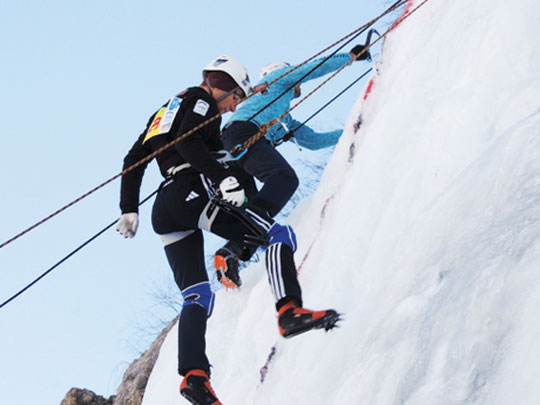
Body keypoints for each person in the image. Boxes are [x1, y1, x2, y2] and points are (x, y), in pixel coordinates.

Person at [116, 55, 340, 405]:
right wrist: (223, 180)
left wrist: (128, 208)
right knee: (278, 235)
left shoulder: (163, 113)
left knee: (196, 296)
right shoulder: (203, 99)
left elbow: (133, 159)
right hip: (193, 190)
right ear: (223, 84)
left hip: (165, 209)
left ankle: (194, 376)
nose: (234, 106)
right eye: (236, 98)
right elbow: (190, 145)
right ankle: (289, 310)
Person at [214, 44, 371, 290]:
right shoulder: (277, 79)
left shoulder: (283, 118)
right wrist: (350, 57)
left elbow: (313, 141)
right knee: (284, 178)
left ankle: (230, 253)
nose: (299, 87)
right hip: (242, 134)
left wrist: (352, 128)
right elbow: (311, 69)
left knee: (259, 216)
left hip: (231, 148)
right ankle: (235, 249)